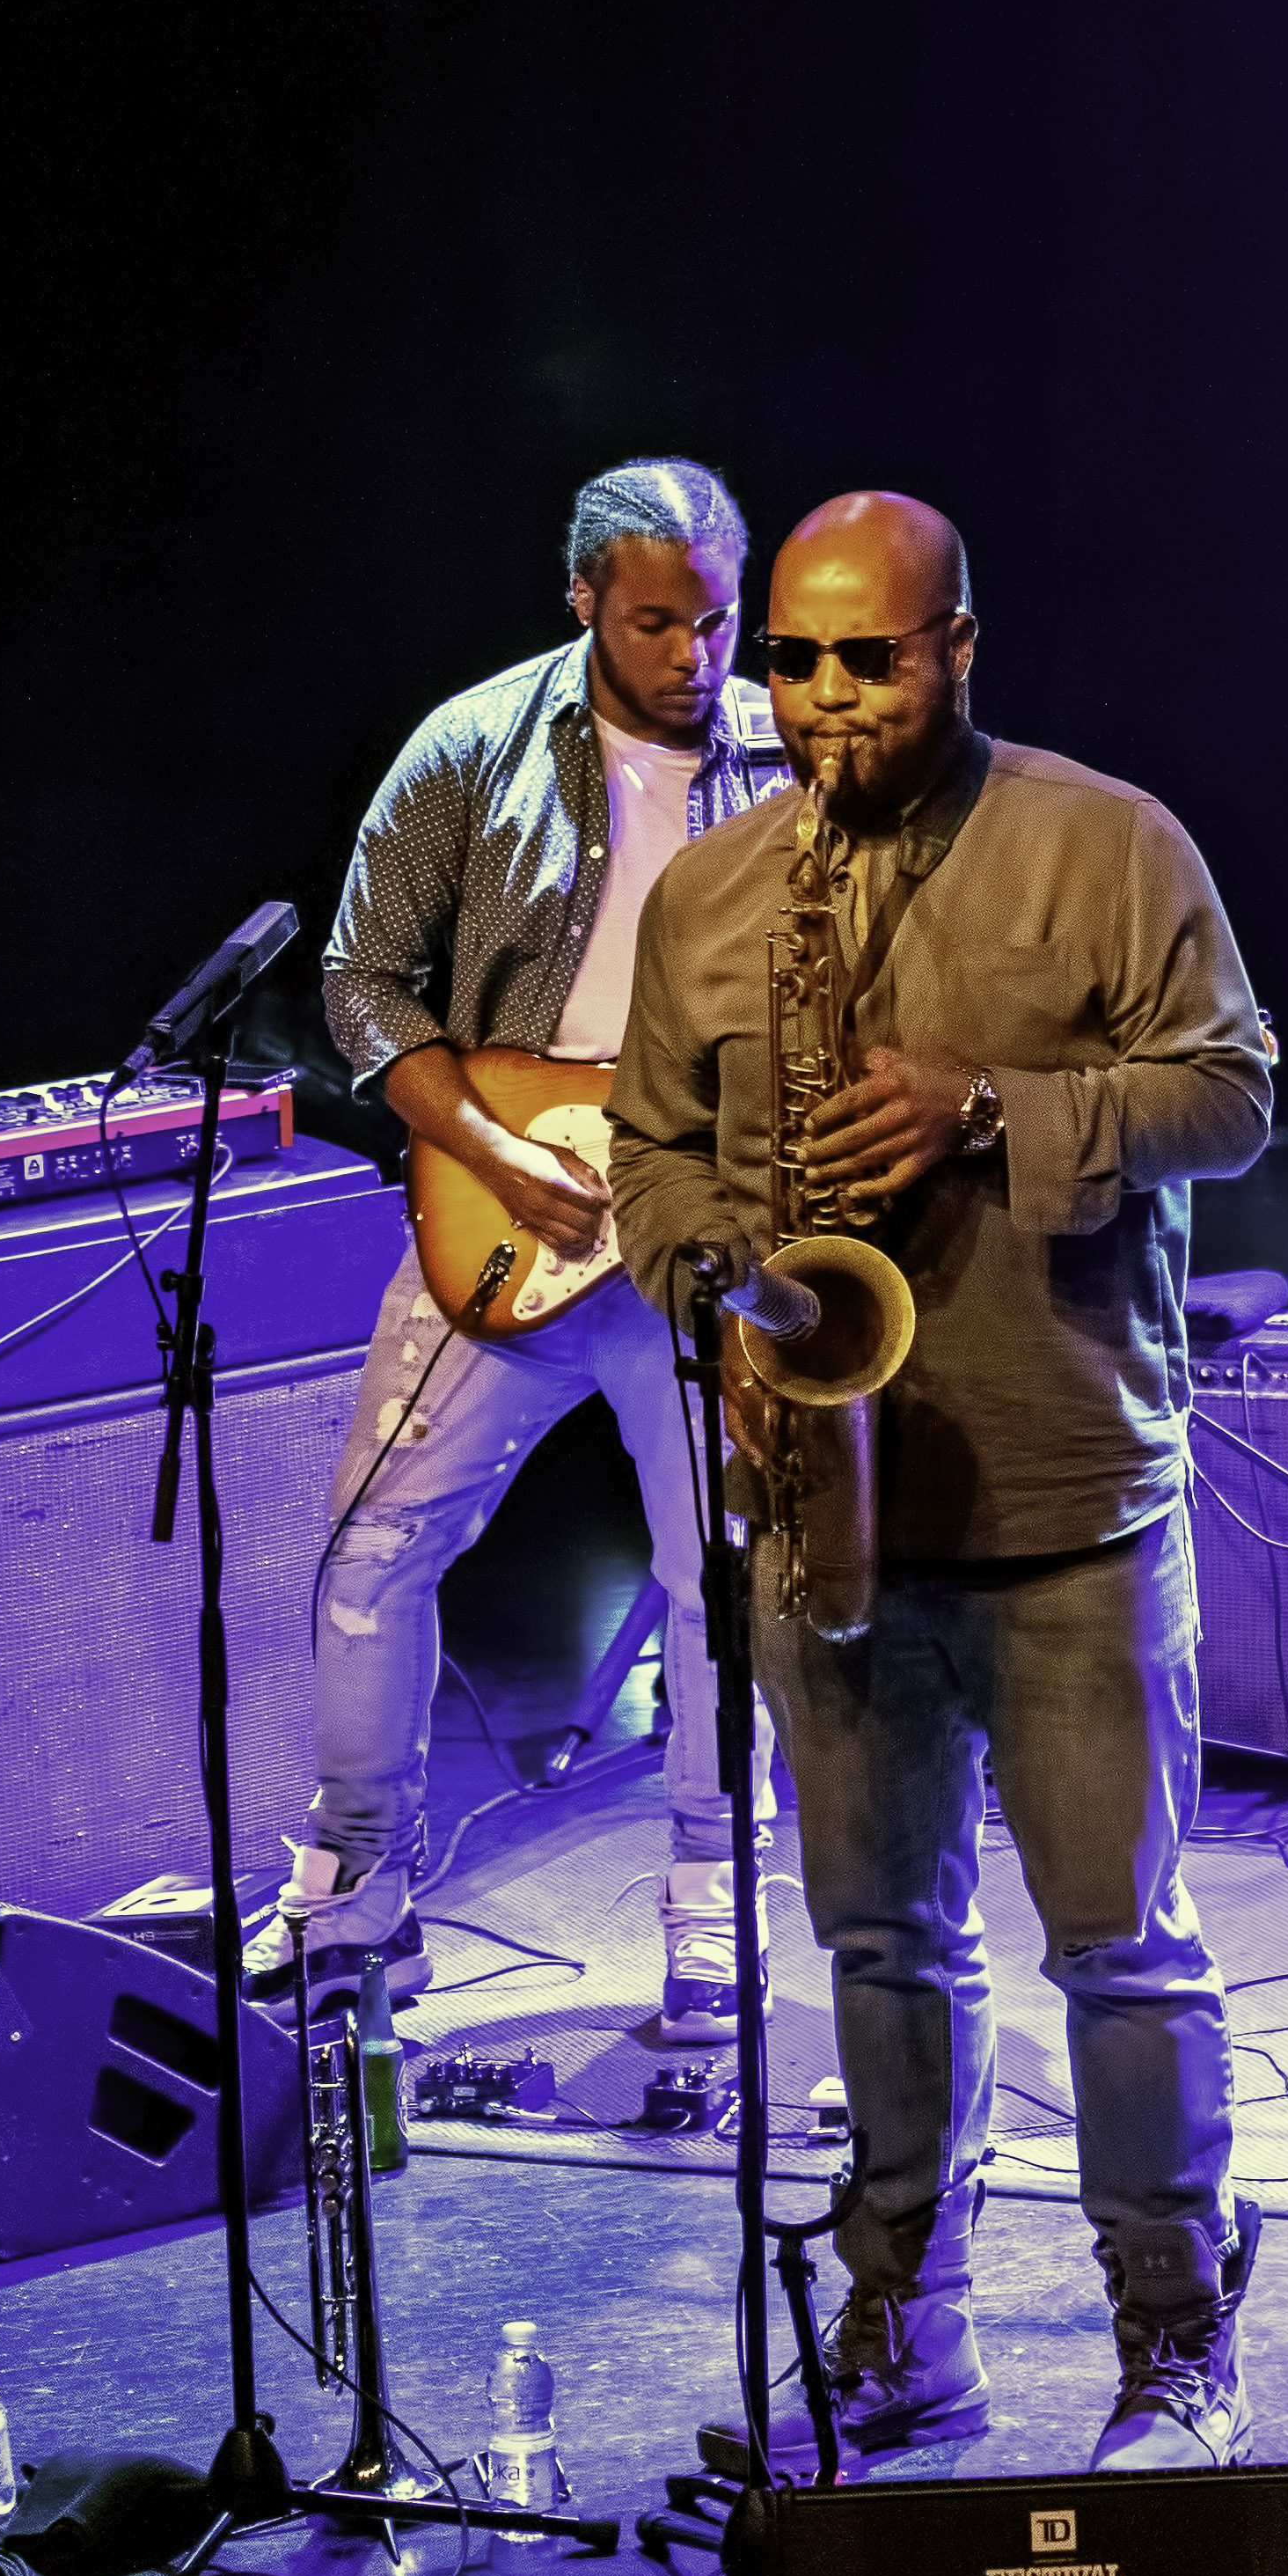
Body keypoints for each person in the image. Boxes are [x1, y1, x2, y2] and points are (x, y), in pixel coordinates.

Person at [604, 489, 1277, 2468]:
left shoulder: (1106, 837)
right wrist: (721, 1283)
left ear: (958, 646)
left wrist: (994, 1103)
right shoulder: (713, 892)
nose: (821, 698)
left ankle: (1172, 2335)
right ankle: (904, 2321)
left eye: (867, 657)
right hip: (824, 1499)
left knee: (1120, 1951)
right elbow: (650, 1155)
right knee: (878, 1944)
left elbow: (1233, 1093)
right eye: (791, 660)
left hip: (1066, 1493)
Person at [282, 459, 790, 2035]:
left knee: (721, 1572)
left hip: (699, 1229)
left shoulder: (793, 758)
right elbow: (364, 979)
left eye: (715, 620)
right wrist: (497, 1150)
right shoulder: (472, 743)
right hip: (505, 1209)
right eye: (655, 622)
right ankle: (356, 1895)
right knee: (371, 1552)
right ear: (582, 600)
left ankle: (714, 1916)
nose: (695, 656)